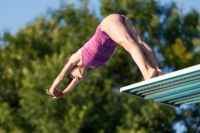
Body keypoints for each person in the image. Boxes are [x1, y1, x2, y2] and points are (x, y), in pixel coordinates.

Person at [46, 14, 163, 100]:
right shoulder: (93, 66)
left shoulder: (77, 57)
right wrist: (64, 93)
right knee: (139, 43)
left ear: (73, 68)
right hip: (121, 20)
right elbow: (76, 83)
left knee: (128, 43)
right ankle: (156, 70)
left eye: (72, 76)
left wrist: (52, 89)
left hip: (108, 24)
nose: (74, 79)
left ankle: (146, 72)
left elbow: (61, 76)